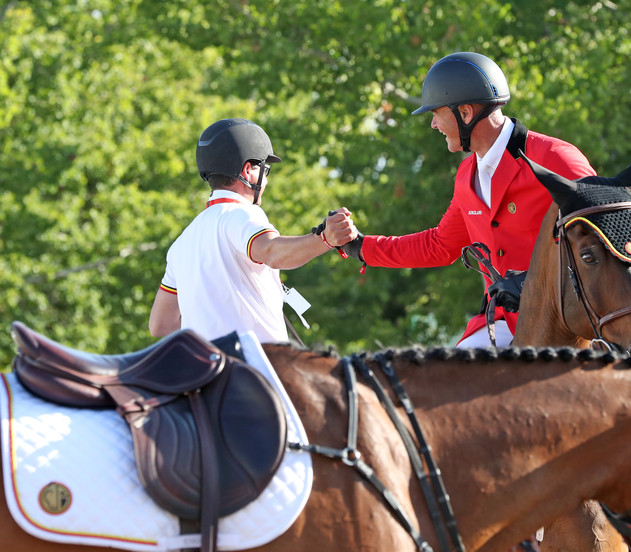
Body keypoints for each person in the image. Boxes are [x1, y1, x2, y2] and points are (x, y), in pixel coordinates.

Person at [341, 52, 596, 348]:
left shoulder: (555, 158)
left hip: (569, 327)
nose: (434, 125)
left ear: (465, 113)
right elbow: (439, 245)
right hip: (503, 324)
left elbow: (606, 234)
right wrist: (360, 246)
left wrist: (538, 281)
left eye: (436, 114)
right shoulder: (466, 175)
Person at [149, 118, 358, 342]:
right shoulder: (241, 213)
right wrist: (325, 239)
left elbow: (160, 325)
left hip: (205, 372)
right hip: (258, 367)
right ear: (248, 170)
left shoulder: (182, 242)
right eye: (265, 171)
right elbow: (271, 251)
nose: (266, 181)